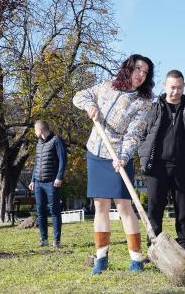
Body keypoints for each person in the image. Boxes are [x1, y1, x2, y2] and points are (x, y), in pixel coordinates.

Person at [73, 54, 154, 274]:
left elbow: (134, 134)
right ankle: (101, 257)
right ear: (128, 69)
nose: (141, 75)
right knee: (100, 205)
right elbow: (79, 95)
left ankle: (136, 259)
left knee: (124, 206)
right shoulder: (107, 86)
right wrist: (90, 105)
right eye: (138, 69)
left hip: (119, 156)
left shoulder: (143, 102)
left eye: (145, 72)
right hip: (96, 152)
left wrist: (124, 156)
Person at [138, 70, 185, 259]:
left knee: (182, 210)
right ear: (164, 86)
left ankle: (183, 247)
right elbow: (143, 135)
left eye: (179, 88)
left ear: (184, 86)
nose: (175, 92)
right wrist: (144, 158)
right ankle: (153, 250)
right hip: (156, 167)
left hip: (182, 166)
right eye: (172, 87)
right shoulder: (154, 108)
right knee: (154, 209)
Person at [28, 120, 67, 249]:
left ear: (40, 130)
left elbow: (63, 160)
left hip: (51, 182)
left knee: (55, 211)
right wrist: (33, 180)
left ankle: (56, 241)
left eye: (35, 130)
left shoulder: (56, 140)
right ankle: (43, 239)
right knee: (40, 211)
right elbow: (36, 163)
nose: (34, 133)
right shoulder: (39, 143)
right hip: (38, 183)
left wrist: (59, 177)